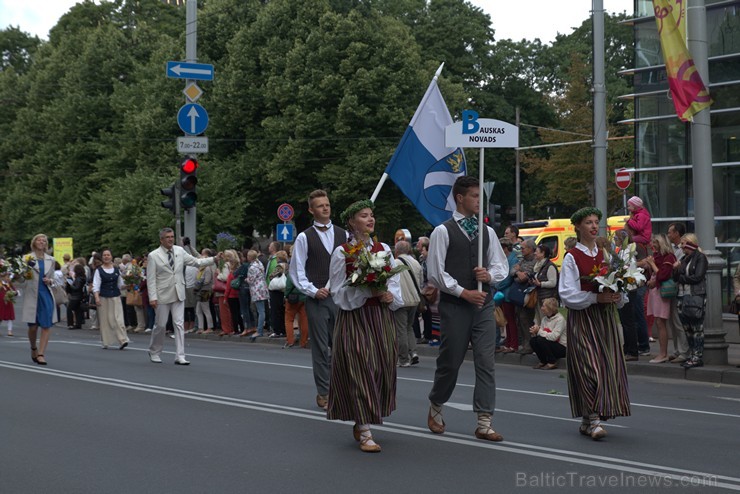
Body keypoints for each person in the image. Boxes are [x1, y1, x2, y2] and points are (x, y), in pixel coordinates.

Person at [426, 176, 508, 443]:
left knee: (486, 361)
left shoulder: (488, 232)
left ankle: (485, 420)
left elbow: (501, 266)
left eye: (479, 195)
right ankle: (437, 402)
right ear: (460, 198)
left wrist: (488, 275)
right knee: (450, 362)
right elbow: (436, 273)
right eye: (474, 196)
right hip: (456, 306)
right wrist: (464, 291)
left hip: (483, 306)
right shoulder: (442, 231)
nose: (478, 200)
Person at [327, 200, 403, 453]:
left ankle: (363, 420)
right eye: (363, 216)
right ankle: (366, 430)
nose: (370, 220)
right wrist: (365, 291)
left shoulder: (383, 249)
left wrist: (390, 295)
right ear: (351, 221)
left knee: (381, 368)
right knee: (361, 367)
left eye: (372, 215)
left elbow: (394, 281)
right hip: (355, 318)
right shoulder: (342, 252)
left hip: (380, 318)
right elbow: (338, 291)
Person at [558, 207, 630, 440]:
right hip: (583, 318)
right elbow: (567, 294)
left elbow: (621, 284)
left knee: (606, 366)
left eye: (595, 222)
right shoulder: (572, 257)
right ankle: (594, 421)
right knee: (588, 367)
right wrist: (594, 297)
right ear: (578, 227)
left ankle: (589, 419)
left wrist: (618, 296)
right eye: (588, 222)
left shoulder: (608, 255)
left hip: (605, 318)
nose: (592, 226)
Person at [289, 189, 348, 410]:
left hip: (340, 298)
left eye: (327, 204)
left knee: (341, 347)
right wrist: (313, 291)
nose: (325, 207)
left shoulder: (344, 234)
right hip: (317, 300)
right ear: (311, 210)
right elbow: (296, 271)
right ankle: (324, 391)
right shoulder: (305, 237)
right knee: (322, 348)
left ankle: (340, 387)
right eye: (320, 205)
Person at [147, 227, 219, 365]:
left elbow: (196, 262)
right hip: (162, 294)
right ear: (161, 240)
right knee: (161, 325)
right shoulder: (153, 255)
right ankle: (154, 351)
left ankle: (180, 355)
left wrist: (214, 259)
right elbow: (151, 279)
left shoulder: (179, 251)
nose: (170, 239)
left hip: (179, 291)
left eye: (172, 236)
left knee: (179, 324)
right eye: (167, 237)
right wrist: (152, 297)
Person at [19, 234, 57, 365]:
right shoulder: (26, 258)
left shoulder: (51, 259)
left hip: (45, 293)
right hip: (32, 294)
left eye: (44, 240)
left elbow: (54, 279)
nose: (42, 242)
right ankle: (33, 348)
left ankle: (41, 354)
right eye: (39, 240)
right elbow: (21, 280)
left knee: (46, 325)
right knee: (33, 327)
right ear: (34, 242)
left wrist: (50, 280)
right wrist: (24, 273)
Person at [674, 234, 708, 369]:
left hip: (695, 296)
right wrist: (676, 270)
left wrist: (681, 277)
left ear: (689, 244)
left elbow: (698, 277)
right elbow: (675, 277)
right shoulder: (683, 259)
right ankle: (691, 354)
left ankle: (697, 356)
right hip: (682, 296)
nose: (681, 247)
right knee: (687, 327)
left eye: (683, 244)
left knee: (696, 327)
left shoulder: (700, 258)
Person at [645, 234, 677, 363]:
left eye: (656, 242)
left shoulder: (668, 257)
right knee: (658, 322)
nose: (653, 245)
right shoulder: (658, 256)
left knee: (660, 322)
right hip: (655, 290)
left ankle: (663, 354)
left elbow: (663, 274)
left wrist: (652, 264)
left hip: (661, 291)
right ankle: (662, 353)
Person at [393, 240, 423, 367]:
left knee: (401, 330)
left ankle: (403, 359)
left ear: (397, 251)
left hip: (401, 301)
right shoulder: (416, 263)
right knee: (409, 327)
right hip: (415, 299)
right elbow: (421, 282)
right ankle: (414, 352)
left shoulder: (394, 263)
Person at [92, 249, 130, 350]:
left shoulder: (116, 270)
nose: (106, 257)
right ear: (102, 257)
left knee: (118, 319)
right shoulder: (98, 271)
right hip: (104, 297)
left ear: (111, 257)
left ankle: (123, 340)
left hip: (115, 297)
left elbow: (120, 285)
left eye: (108, 255)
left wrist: (130, 283)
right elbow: (96, 286)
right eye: (104, 255)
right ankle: (106, 341)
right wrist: (97, 298)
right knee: (106, 320)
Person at [666, 222, 690, 363]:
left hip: (679, 289)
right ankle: (676, 350)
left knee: (678, 321)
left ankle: (683, 351)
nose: (668, 235)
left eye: (670, 232)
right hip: (672, 288)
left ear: (677, 233)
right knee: (673, 322)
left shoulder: (682, 249)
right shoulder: (671, 248)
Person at [512, 239, 537, 354]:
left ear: (531, 249)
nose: (521, 250)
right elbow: (512, 272)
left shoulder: (535, 261)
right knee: (519, 319)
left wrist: (519, 273)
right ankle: (524, 344)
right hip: (519, 295)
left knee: (526, 319)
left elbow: (526, 277)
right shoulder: (522, 261)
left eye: (523, 248)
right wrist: (517, 272)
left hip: (529, 295)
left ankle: (529, 345)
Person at [529, 297, 566, 369]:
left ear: (550, 308)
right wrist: (535, 331)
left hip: (562, 347)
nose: (542, 308)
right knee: (533, 341)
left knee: (540, 340)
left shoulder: (560, 320)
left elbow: (554, 337)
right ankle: (543, 361)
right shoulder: (544, 319)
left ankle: (552, 362)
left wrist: (539, 331)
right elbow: (542, 333)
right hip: (550, 343)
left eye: (543, 306)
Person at [497, 238, 519, 354]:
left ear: (505, 248)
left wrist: (497, 285)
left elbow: (508, 278)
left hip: (508, 294)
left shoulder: (512, 259)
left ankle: (513, 344)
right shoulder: (505, 258)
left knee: (510, 319)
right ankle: (508, 343)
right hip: (503, 293)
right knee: (506, 319)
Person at [531, 244, 559, 324]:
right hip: (539, 298)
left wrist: (540, 284)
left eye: (536, 251)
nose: (534, 253)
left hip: (547, 300)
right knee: (539, 320)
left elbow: (553, 283)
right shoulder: (537, 266)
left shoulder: (550, 266)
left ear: (543, 253)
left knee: (547, 322)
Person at [246, 250, 269, 340]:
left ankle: (259, 330)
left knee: (260, 311)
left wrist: (246, 279)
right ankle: (260, 329)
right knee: (262, 310)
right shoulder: (259, 264)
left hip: (256, 289)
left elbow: (251, 280)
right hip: (262, 288)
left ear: (250, 257)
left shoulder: (252, 267)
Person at [266, 241, 287, 338]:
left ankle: (277, 330)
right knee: (282, 311)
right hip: (283, 290)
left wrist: (271, 277)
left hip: (276, 290)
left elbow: (271, 276)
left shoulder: (280, 266)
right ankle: (283, 330)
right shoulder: (287, 265)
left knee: (275, 311)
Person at [222, 250, 244, 336]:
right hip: (238, 295)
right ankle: (242, 328)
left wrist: (225, 298)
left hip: (231, 296)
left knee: (233, 313)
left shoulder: (231, 275)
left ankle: (235, 329)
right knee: (239, 312)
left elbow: (228, 288)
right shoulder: (239, 273)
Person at [194, 249, 215, 335]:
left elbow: (206, 280)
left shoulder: (207, 269)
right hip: (201, 290)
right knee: (198, 310)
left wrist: (198, 284)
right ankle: (200, 327)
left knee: (206, 309)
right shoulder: (201, 269)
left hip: (205, 290)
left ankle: (210, 327)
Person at [65, 264, 87, 330]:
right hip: (80, 296)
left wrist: (70, 284)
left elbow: (76, 287)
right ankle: (78, 324)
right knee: (78, 310)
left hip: (75, 296)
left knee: (69, 309)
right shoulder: (83, 278)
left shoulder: (78, 279)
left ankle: (70, 324)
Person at [0, 271, 17, 336]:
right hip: (1, 302)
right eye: (7, 277)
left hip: (8, 302)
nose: (8, 278)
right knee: (0, 316)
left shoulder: (9, 284)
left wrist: (15, 293)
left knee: (10, 317)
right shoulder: (1, 284)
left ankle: (10, 331)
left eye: (9, 277)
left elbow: (15, 290)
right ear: (2, 277)